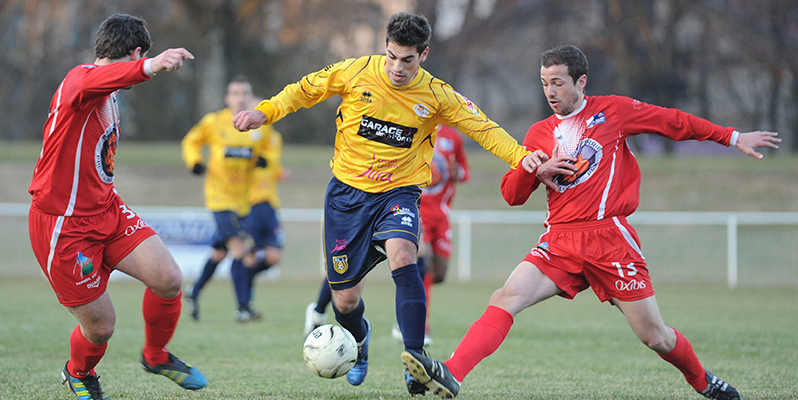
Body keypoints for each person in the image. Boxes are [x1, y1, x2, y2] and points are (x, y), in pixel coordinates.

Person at [401, 44, 780, 400]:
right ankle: (451, 372)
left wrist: (731, 137)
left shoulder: (613, 111)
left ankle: (704, 381)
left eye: (558, 83)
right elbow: (512, 195)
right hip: (559, 242)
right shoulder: (538, 133)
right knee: (505, 297)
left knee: (655, 337)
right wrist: (534, 169)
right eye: (545, 83)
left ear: (581, 81)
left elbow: (673, 122)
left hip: (609, 240)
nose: (550, 91)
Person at [233, 11, 539, 394]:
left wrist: (520, 156)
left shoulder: (437, 95)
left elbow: (482, 126)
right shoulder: (355, 71)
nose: (397, 67)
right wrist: (264, 112)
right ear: (385, 48)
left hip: (399, 194)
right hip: (346, 198)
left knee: (404, 257)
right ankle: (360, 343)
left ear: (423, 55)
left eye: (407, 59)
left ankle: (417, 363)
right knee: (344, 300)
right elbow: (303, 90)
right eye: (392, 56)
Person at [27, 14, 206, 400]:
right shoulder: (80, 81)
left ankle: (155, 356)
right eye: (142, 58)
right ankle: (78, 372)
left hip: (106, 210)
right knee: (101, 328)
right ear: (136, 52)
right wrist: (152, 67)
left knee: (169, 279)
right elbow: (94, 80)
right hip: (63, 227)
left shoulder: (108, 95)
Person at [181, 76, 274, 323]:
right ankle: (243, 308)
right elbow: (191, 141)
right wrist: (195, 162)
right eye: (235, 93)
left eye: (245, 92)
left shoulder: (258, 128)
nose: (240, 97)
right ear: (227, 98)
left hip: (243, 201)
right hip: (219, 199)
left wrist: (263, 160)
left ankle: (193, 291)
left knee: (220, 253)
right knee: (241, 249)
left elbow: (268, 152)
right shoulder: (215, 122)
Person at [390, 124, 470, 345]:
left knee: (440, 273)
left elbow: (465, 171)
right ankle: (416, 321)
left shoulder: (453, 137)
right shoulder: (412, 128)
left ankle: (409, 298)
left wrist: (458, 173)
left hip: (442, 215)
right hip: (416, 210)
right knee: (422, 265)